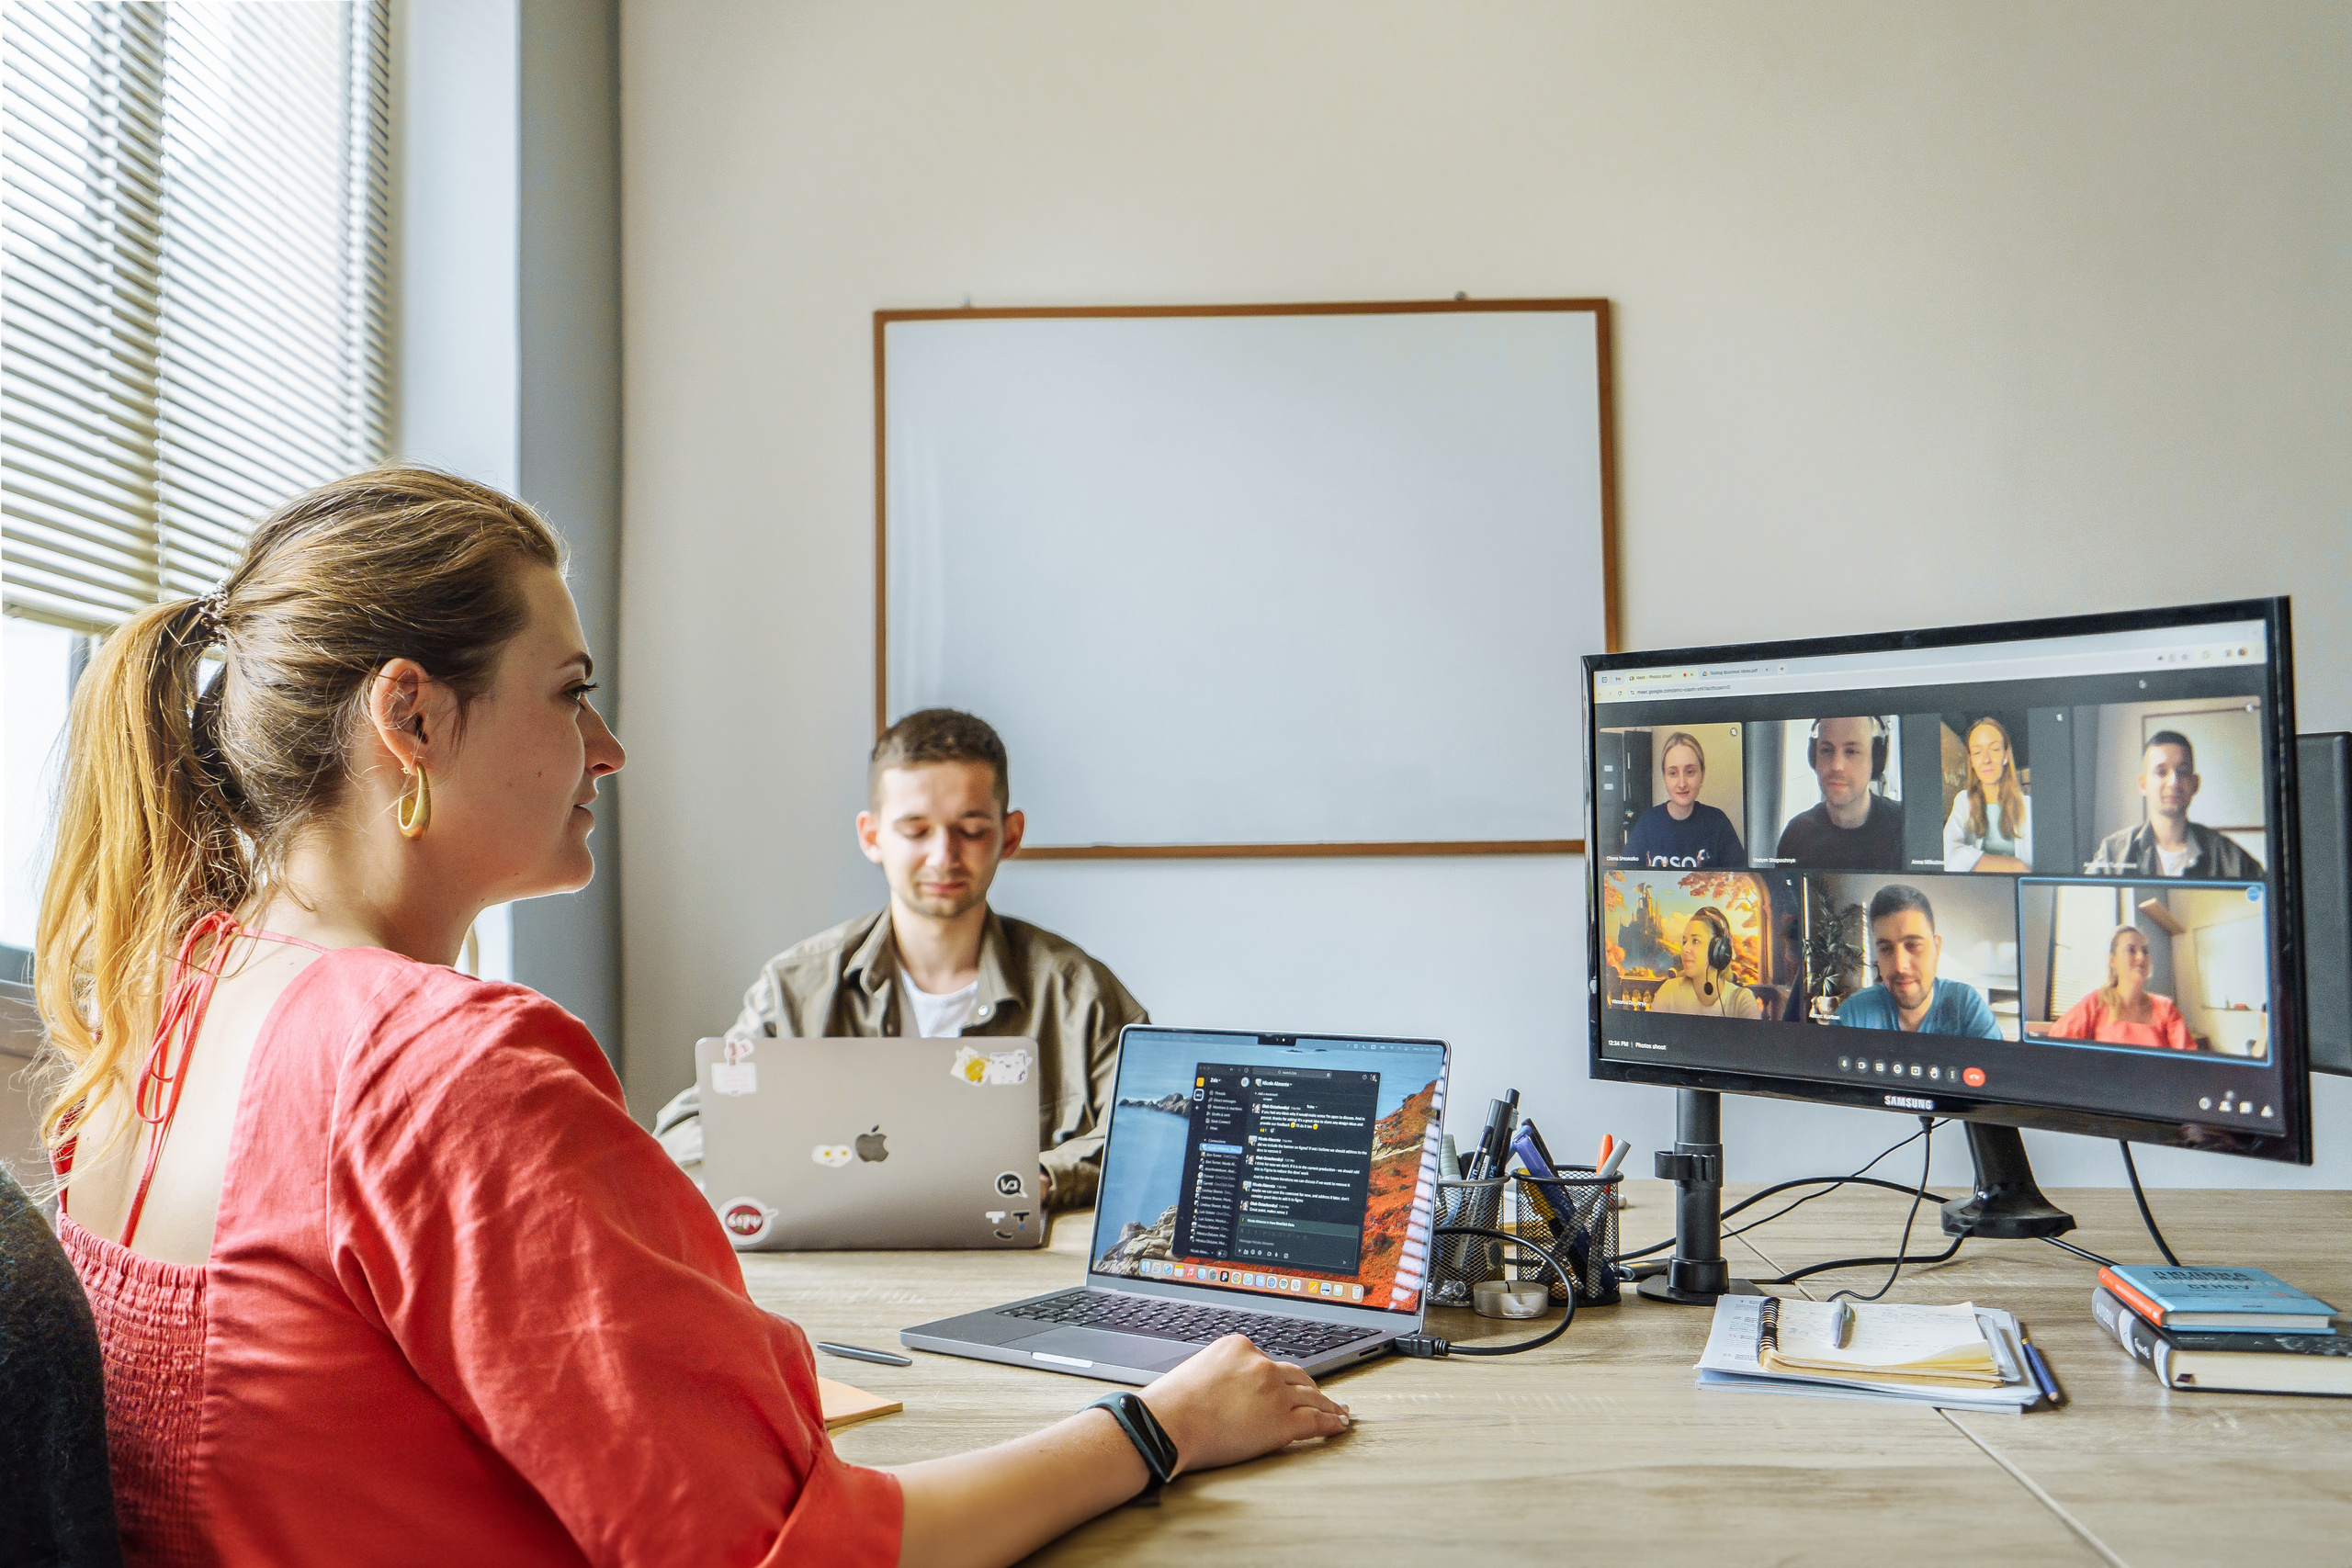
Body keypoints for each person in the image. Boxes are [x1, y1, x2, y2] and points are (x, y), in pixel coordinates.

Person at [34, 468, 1343, 1568]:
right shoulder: (446, 1068)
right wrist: (1161, 1423)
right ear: (413, 714)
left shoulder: (174, 1001)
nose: (607, 746)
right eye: (569, 690)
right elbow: (797, 1548)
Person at [667, 710, 1145, 1212]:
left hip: (1014, 1272)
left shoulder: (1079, 992)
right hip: (836, 1267)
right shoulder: (796, 987)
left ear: (1010, 835)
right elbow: (684, 1132)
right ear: (872, 837)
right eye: (916, 831)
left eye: (971, 829)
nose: (944, 856)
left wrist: (1042, 1178)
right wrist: (803, 1177)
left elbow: (1145, 1141)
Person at [2084, 731, 2265, 879]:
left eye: (2182, 772)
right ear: (2143, 784)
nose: (2174, 781)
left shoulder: (2230, 858)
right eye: (2161, 772)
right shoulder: (2112, 852)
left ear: (2195, 783)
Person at [1834, 885, 2005, 1037]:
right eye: (1886, 949)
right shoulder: (1852, 1016)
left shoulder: (1966, 1006)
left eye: (1913, 945)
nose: (1900, 966)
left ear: (1936, 948)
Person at [1773, 716, 1905, 870]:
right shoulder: (1796, 834)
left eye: (1851, 751)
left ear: (1875, 760)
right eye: (1826, 750)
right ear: (1814, 757)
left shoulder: (1905, 826)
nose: (1836, 766)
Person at [2049, 926, 2196, 1051]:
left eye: (2144, 951)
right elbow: (2058, 1045)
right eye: (2131, 950)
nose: (2141, 957)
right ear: (2113, 960)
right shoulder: (2096, 1003)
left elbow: (2188, 1061)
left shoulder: (2165, 1008)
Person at [1620, 731, 1747, 869]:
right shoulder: (1647, 823)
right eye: (1673, 773)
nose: (1682, 784)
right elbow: (1624, 876)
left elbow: (1740, 879)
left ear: (1702, 774)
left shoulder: (1718, 823)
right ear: (1664, 776)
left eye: (1690, 772)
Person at [1942, 717, 2032, 873]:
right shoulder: (1964, 801)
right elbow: (1949, 854)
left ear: (2005, 755)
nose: (1986, 760)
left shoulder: (2029, 806)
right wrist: (2015, 866)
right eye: (1977, 752)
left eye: (1995, 749)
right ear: (1971, 761)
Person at [1647, 907, 1762, 1018]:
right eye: (1684, 941)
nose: (1685, 948)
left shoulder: (1742, 1000)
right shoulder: (1669, 991)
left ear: (1718, 950)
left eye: (1695, 941)